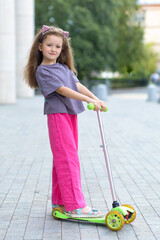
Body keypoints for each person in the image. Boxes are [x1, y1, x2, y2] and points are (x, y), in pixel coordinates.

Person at [24, 25, 107, 218]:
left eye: (58, 46)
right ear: (40, 47)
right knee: (69, 158)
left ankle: (60, 201)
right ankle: (75, 205)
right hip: (58, 116)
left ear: (62, 49)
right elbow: (62, 90)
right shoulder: (43, 71)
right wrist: (87, 101)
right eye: (49, 45)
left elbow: (77, 85)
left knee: (64, 157)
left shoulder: (62, 67)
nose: (53, 49)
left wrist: (96, 99)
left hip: (70, 115)